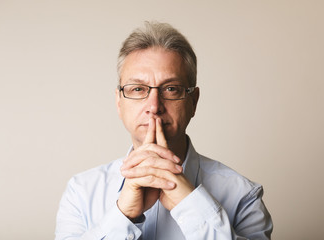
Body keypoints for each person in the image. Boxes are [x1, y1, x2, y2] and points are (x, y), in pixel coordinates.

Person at [55, 21, 273, 240]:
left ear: (193, 102)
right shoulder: (81, 192)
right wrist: (123, 215)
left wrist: (192, 205)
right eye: (138, 89)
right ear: (119, 102)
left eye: (171, 89)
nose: (154, 106)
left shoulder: (243, 195)